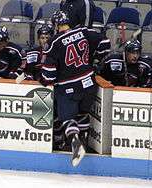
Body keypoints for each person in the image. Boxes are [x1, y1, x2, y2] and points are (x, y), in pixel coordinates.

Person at [40, 11, 111, 167]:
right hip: (89, 84)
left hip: (68, 87)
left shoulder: (54, 42)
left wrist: (44, 80)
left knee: (67, 119)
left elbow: (49, 75)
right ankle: (84, 141)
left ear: (56, 25)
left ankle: (76, 143)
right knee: (83, 113)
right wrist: (97, 59)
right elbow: (105, 43)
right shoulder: (84, 32)